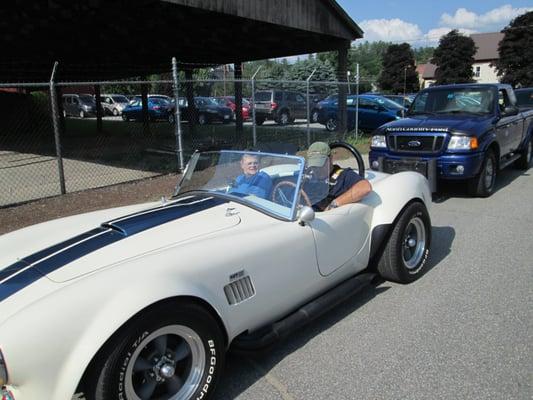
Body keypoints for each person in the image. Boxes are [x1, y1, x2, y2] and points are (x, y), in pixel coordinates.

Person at [305, 142, 372, 211]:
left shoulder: (343, 176)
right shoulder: (307, 177)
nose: (317, 169)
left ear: (331, 159)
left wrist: (334, 204)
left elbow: (365, 187)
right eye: (314, 166)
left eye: (320, 165)